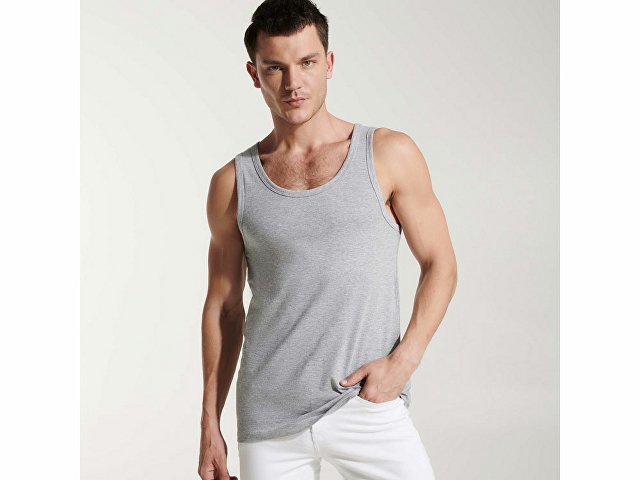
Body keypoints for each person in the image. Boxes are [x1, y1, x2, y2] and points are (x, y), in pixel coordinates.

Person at [198, 1, 457, 479]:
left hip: (365, 402)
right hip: (269, 418)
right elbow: (224, 307)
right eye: (275, 68)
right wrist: (209, 422)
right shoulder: (232, 183)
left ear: (329, 64)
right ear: (255, 74)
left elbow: (440, 263)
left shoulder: (388, 154)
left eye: (307, 62)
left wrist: (404, 361)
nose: (293, 83)